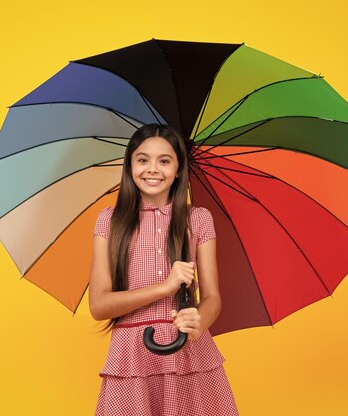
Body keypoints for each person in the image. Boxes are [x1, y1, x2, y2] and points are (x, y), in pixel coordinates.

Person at [89, 124, 239, 415]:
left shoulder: (198, 218)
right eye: (143, 159)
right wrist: (165, 287)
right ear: (130, 165)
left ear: (179, 169)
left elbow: (212, 298)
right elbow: (99, 305)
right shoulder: (109, 221)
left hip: (189, 353)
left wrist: (199, 321)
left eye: (164, 160)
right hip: (131, 356)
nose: (152, 169)